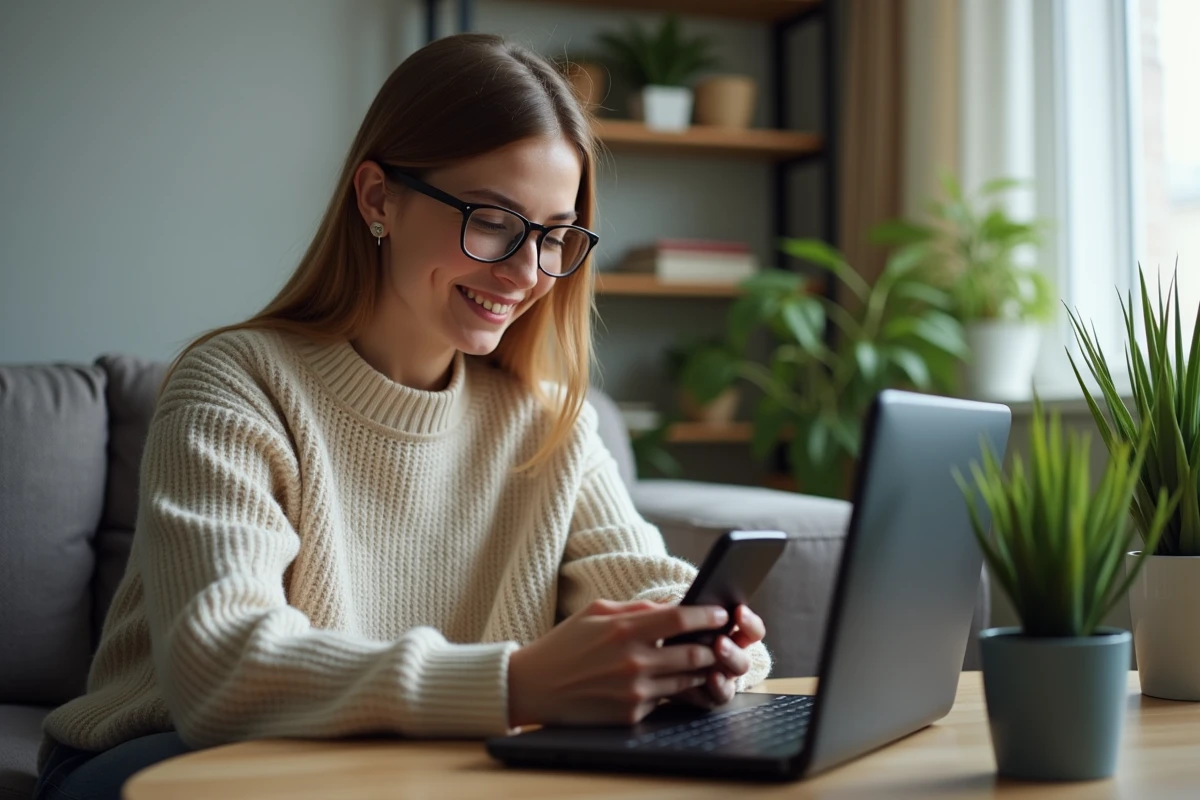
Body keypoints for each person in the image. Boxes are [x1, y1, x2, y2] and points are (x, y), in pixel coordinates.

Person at [33, 33, 771, 800]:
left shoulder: (547, 421)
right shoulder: (236, 383)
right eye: (492, 220)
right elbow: (222, 670)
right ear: (378, 197)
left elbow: (655, 593)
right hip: (167, 760)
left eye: (556, 235)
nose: (526, 273)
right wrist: (517, 683)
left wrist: (700, 650)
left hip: (406, 769)